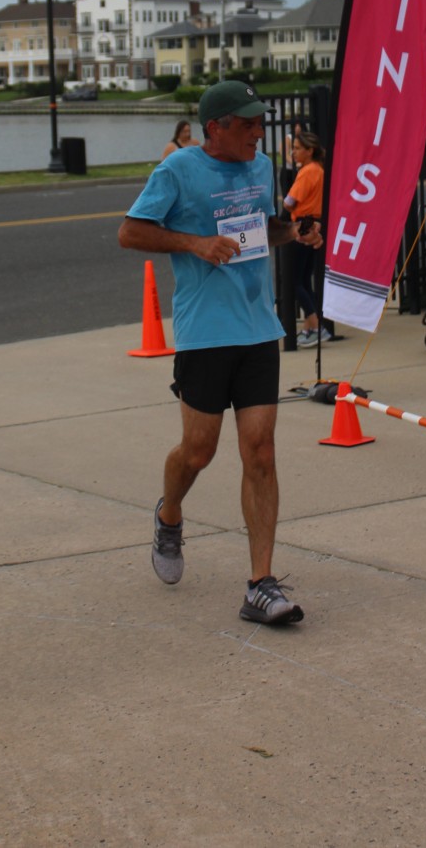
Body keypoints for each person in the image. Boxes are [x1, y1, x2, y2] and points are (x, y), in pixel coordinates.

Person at [118, 79, 323, 626]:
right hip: (205, 333)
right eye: (249, 124)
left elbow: (260, 231)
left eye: (260, 123)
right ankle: (170, 515)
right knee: (198, 451)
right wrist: (195, 243)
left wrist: (294, 233)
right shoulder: (178, 170)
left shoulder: (261, 168)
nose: (259, 132)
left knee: (260, 451)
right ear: (216, 128)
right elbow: (130, 233)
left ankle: (261, 584)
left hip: (257, 327)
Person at [281, 130, 326, 346]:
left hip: (301, 223)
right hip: (314, 221)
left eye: (298, 148)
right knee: (305, 277)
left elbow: (289, 201)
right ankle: (309, 328)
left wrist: (288, 205)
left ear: (310, 150)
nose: (293, 152)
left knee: (293, 279)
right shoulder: (319, 170)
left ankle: (315, 325)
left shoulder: (306, 171)